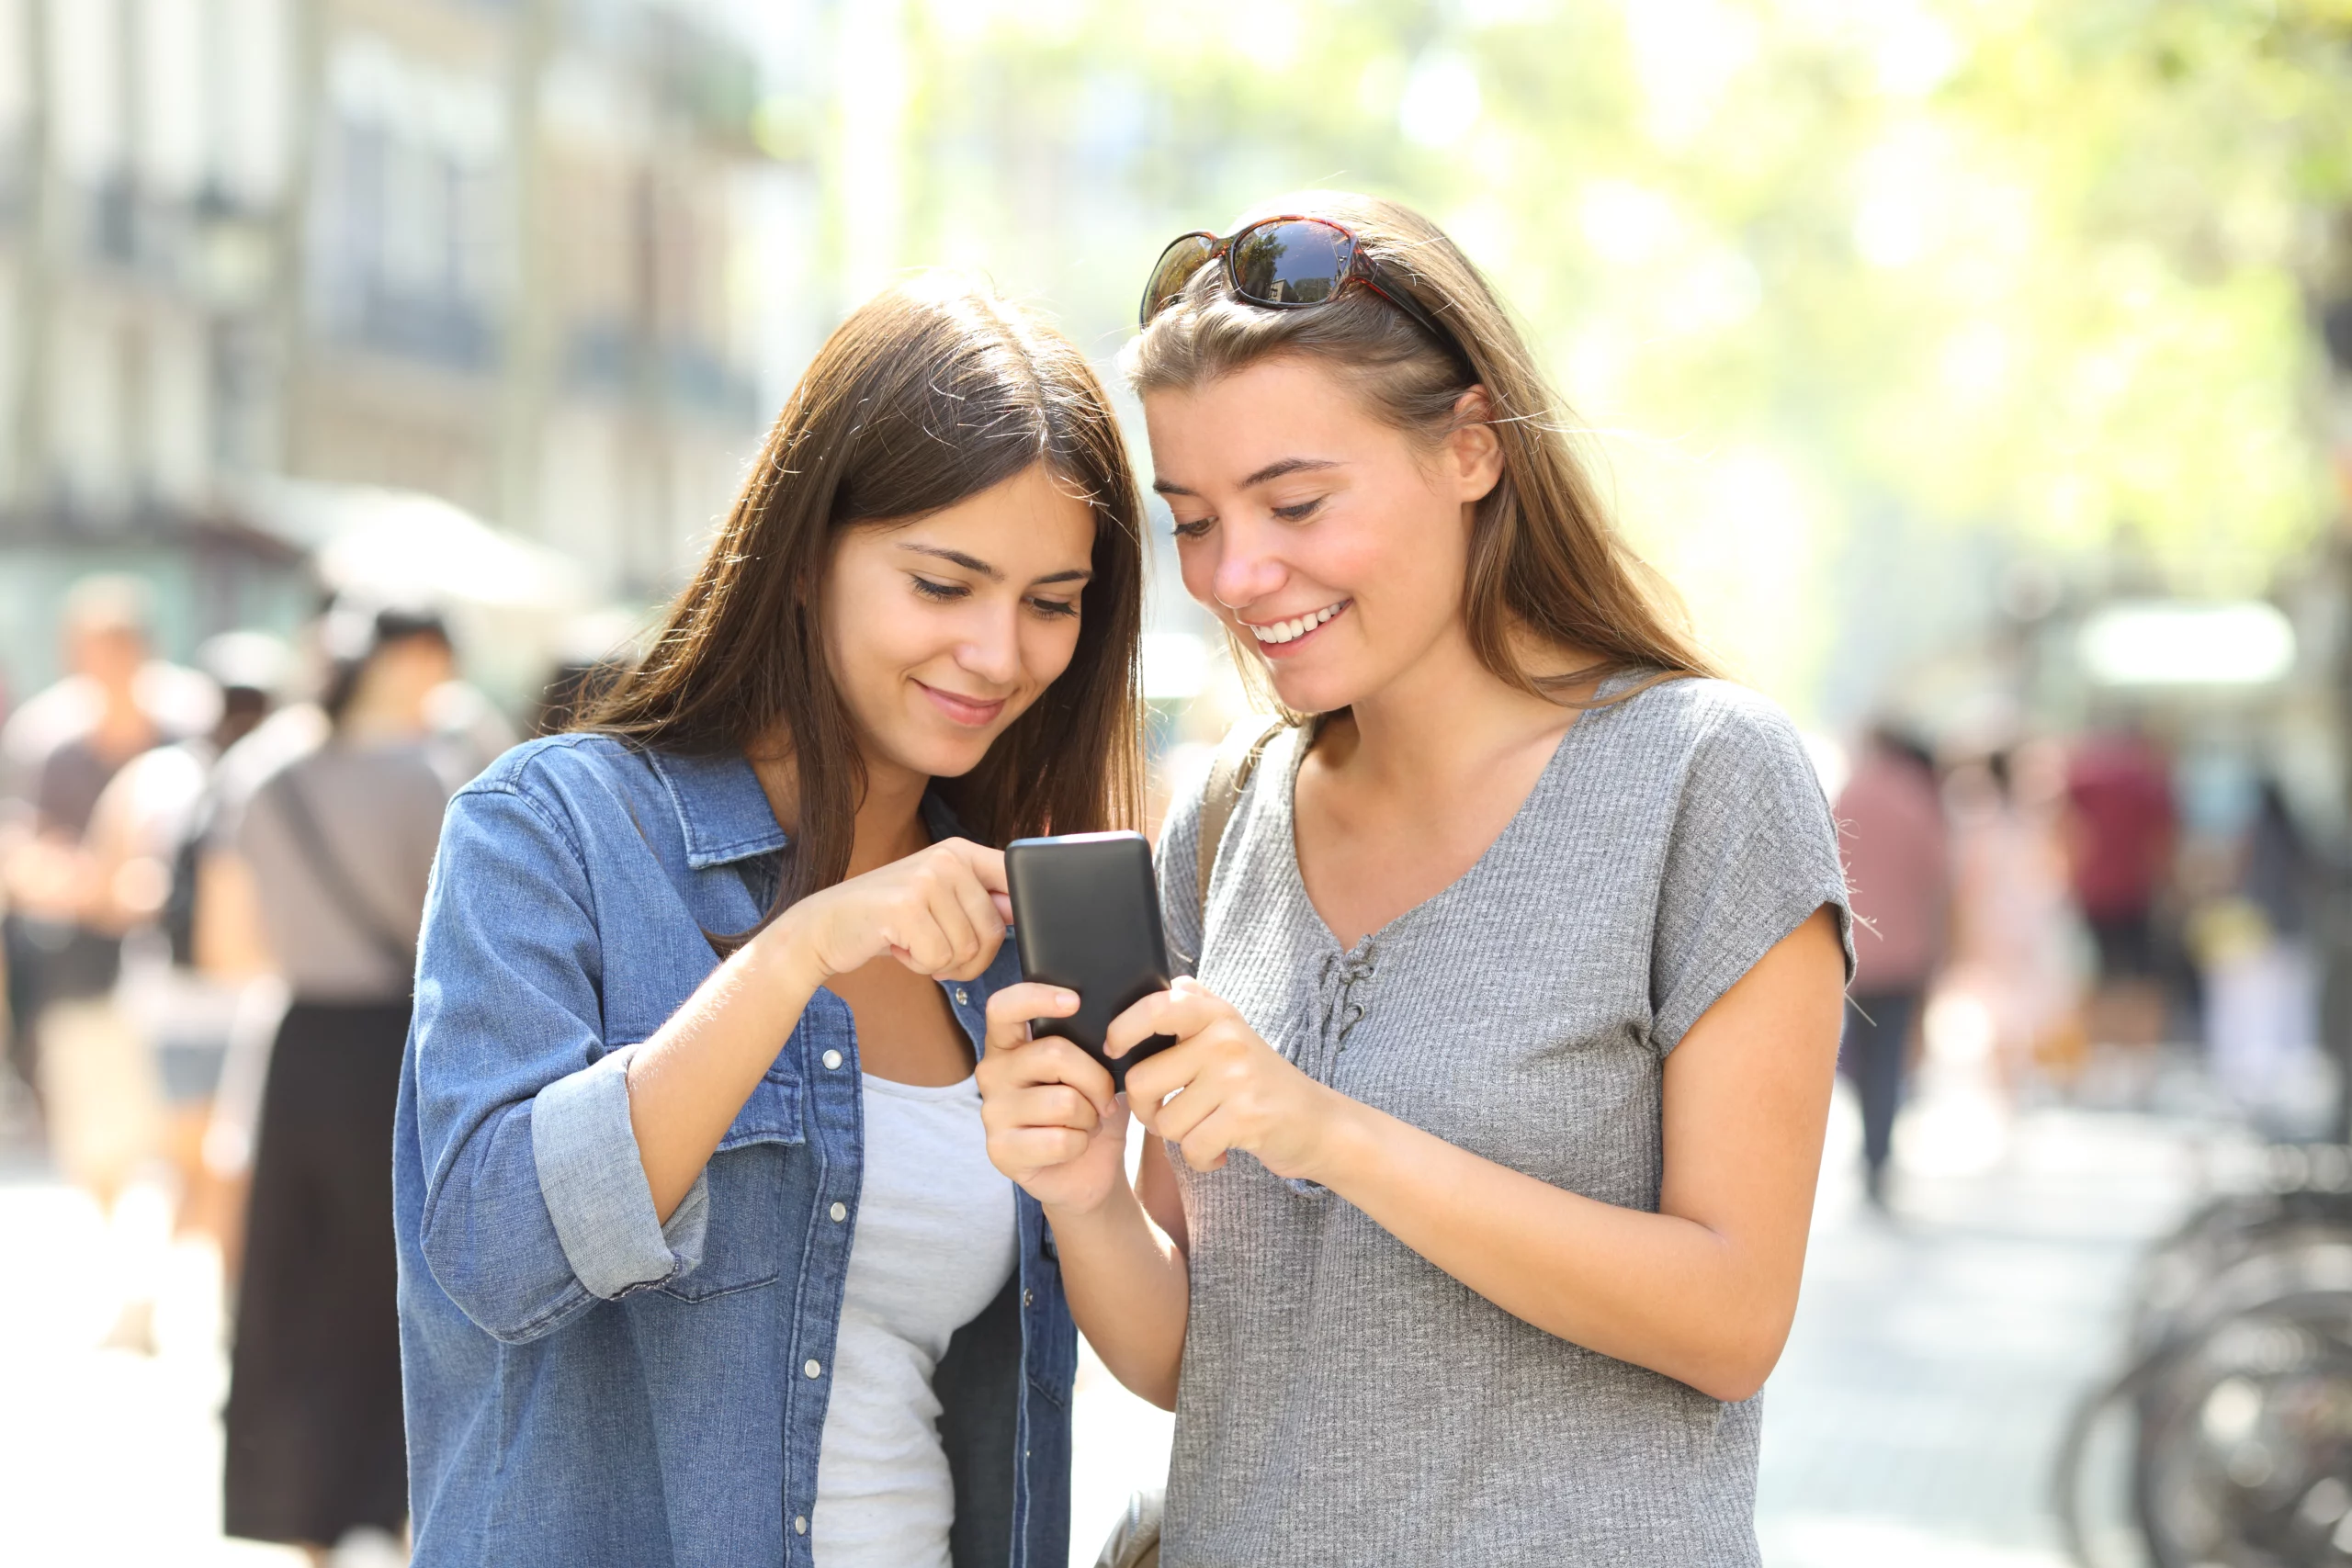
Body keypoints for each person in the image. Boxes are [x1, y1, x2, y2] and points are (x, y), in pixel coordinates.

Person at [979, 193, 1852, 1567]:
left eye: (1297, 501)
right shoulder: (1227, 817)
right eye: (1194, 518)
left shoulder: (1703, 777)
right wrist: (1085, 1190)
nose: (1237, 573)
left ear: (1470, 447)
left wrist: (1329, 1131)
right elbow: (1197, 1362)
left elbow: (1732, 1316)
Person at [394, 276, 1145, 1568]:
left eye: (1050, 600)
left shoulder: (1014, 925)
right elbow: (496, 1250)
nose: (998, 650)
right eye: (943, 581)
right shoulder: (555, 828)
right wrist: (799, 948)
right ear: (807, 555)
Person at [208, 604, 468, 1561]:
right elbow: (448, 935)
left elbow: (228, 946)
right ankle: (398, 1515)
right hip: (393, 1046)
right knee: (397, 1284)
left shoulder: (259, 777)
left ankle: (301, 1523)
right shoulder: (424, 776)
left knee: (289, 1285)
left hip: (294, 1041)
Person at [1832, 724, 1949, 1205]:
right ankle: (1878, 1152)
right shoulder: (1918, 800)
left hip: (1851, 952)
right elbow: (1941, 881)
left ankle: (1870, 1148)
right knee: (1888, 1059)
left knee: (1857, 1057)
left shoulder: (1850, 793)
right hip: (1904, 954)